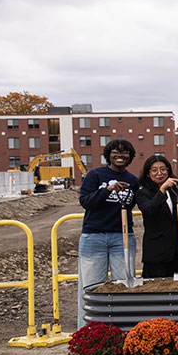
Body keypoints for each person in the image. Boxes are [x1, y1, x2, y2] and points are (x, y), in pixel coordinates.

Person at [77, 138, 138, 327]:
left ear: (130, 157)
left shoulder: (133, 181)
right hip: (94, 236)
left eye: (125, 152)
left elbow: (131, 205)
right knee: (92, 287)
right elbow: (86, 201)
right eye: (115, 152)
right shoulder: (95, 175)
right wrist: (108, 189)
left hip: (122, 237)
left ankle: (123, 329)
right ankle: (88, 332)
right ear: (108, 155)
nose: (120, 155)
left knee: (124, 285)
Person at [135, 155, 178, 278]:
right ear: (148, 174)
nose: (159, 173)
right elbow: (149, 209)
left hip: (176, 251)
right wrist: (162, 189)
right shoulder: (143, 193)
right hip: (156, 253)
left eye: (163, 169)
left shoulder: (175, 192)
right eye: (154, 170)